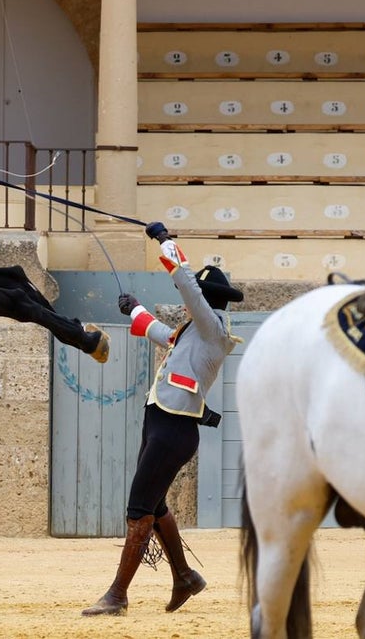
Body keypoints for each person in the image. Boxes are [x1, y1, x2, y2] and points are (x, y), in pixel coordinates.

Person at [82, 221, 243, 617]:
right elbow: (163, 335)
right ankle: (185, 577)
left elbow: (186, 284)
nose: (189, 300)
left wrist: (165, 241)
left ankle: (117, 595)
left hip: (173, 427)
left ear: (207, 300)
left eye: (196, 298)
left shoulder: (213, 326)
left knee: (139, 509)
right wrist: (134, 309)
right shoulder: (198, 331)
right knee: (154, 506)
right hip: (162, 422)